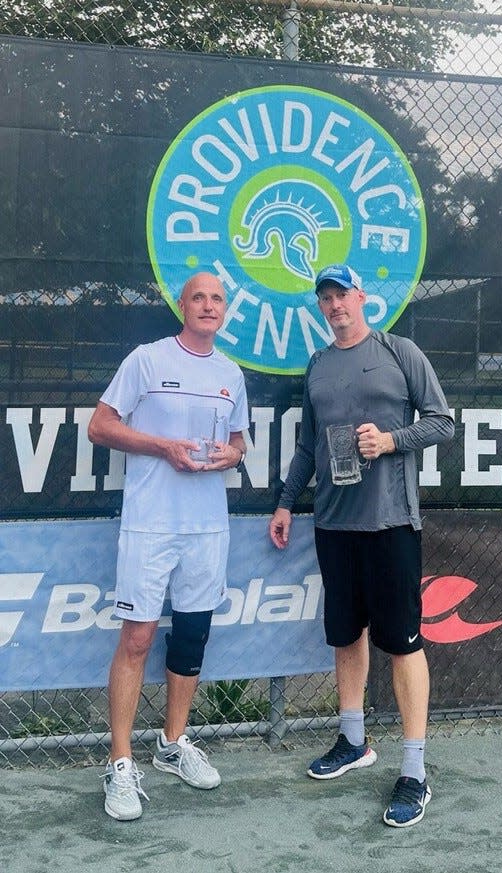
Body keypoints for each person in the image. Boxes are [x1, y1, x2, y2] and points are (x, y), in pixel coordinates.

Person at [269, 264, 454, 828]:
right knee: (347, 636)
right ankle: (353, 741)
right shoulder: (319, 366)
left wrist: (392, 440)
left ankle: (415, 772)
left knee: (401, 645)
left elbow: (443, 423)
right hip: (333, 525)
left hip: (392, 523)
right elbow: (307, 447)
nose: (333, 304)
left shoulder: (400, 352)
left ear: (361, 297)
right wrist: (284, 501)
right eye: (324, 298)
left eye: (341, 294)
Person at [88, 272, 249, 821]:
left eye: (217, 299)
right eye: (198, 297)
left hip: (208, 529)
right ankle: (120, 762)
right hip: (151, 526)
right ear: (181, 305)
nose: (208, 306)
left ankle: (172, 744)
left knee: (192, 636)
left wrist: (232, 456)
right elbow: (100, 426)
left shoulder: (231, 373)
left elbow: (238, 442)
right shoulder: (147, 360)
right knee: (136, 639)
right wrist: (162, 448)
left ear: (225, 311)